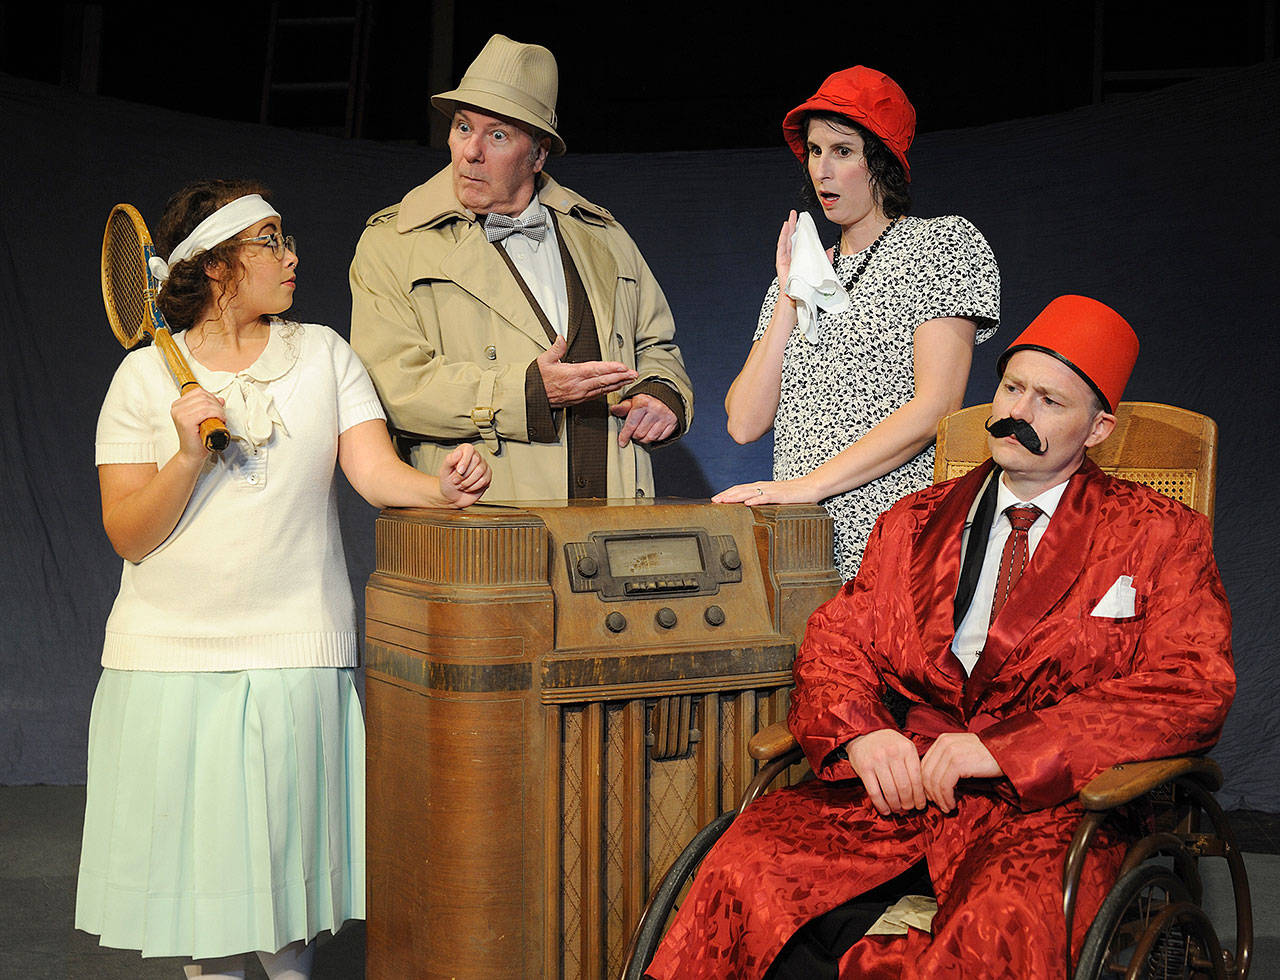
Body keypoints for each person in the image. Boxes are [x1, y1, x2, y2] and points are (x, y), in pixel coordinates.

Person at [648, 295, 1235, 979]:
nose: (1019, 413)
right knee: (748, 862)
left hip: (1047, 810)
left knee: (1003, 922)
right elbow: (837, 643)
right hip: (903, 788)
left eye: (1051, 402)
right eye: (1012, 387)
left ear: (1098, 429)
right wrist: (862, 733)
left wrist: (1005, 750)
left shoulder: (1158, 534)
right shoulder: (915, 521)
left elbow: (1192, 688)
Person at [75, 179, 491, 980]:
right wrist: (189, 456)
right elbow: (128, 532)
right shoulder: (141, 380)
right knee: (205, 902)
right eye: (270, 241)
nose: (292, 254)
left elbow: (375, 473)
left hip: (294, 652)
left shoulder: (324, 354)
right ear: (220, 266)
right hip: (170, 662)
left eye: (285, 237)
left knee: (284, 897)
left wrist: (440, 487)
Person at [350, 34, 693, 501]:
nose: (471, 151)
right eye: (463, 127)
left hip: (612, 522)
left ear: (538, 154)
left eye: (497, 135)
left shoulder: (603, 236)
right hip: (489, 525)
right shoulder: (394, 243)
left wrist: (662, 395)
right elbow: (397, 386)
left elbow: (656, 345)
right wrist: (526, 393)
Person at [714, 66, 1000, 580]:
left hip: (890, 542)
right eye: (814, 151)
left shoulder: (939, 246)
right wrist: (788, 292)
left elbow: (938, 404)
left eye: (842, 151)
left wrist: (811, 485)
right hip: (801, 543)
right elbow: (744, 423)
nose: (820, 169)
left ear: (883, 162)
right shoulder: (809, 273)